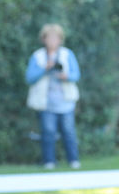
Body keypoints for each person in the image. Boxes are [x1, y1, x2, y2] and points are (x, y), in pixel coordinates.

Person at [26, 24, 81, 170]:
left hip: (66, 102)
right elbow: (29, 78)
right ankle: (49, 162)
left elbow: (76, 75)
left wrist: (66, 76)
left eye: (56, 37)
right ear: (44, 39)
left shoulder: (67, 54)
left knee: (69, 132)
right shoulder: (37, 56)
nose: (52, 40)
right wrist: (45, 68)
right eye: (49, 37)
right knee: (48, 133)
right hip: (45, 103)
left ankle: (74, 160)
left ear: (60, 39)